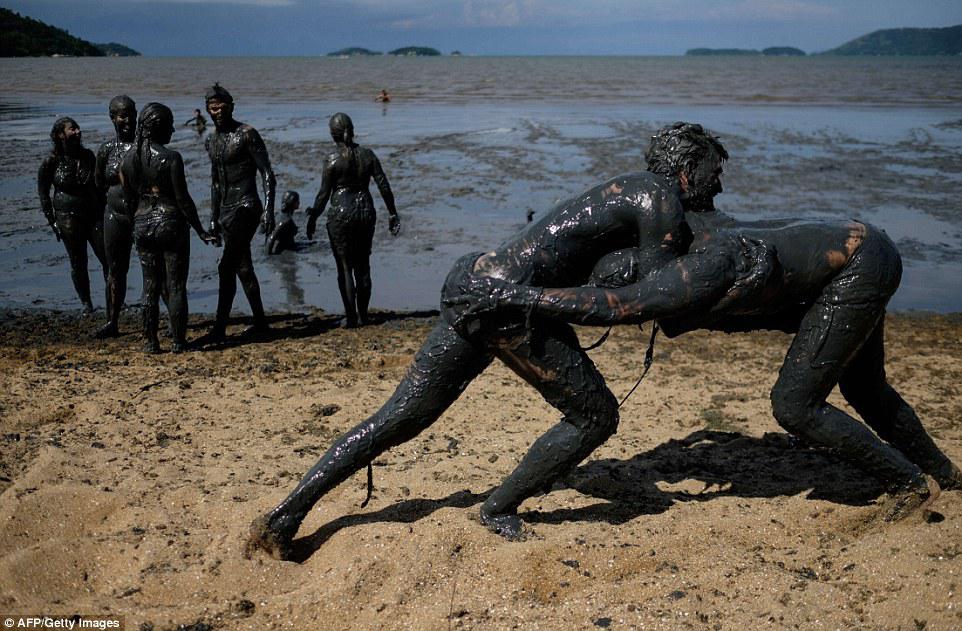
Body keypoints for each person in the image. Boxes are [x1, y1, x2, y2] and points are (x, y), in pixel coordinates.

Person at [449, 122, 962, 520]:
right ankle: (945, 474)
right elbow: (628, 296)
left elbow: (619, 306)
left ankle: (912, 485)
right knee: (868, 390)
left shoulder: (700, 264)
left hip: (859, 262)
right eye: (713, 170)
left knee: (796, 405)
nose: (721, 180)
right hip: (852, 252)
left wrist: (513, 294)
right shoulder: (679, 239)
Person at [248, 129, 705, 560]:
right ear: (687, 168)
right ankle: (498, 507)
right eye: (713, 172)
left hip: (478, 282)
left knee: (397, 418)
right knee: (596, 415)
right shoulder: (660, 198)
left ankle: (286, 515)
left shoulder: (632, 188)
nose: (718, 185)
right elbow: (652, 297)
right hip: (511, 307)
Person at [120, 103, 216, 353]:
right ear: (159, 128)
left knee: (149, 285)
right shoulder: (171, 158)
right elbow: (183, 199)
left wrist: (135, 225)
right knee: (175, 284)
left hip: (142, 223)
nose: (173, 129)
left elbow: (130, 198)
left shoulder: (128, 160)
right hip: (170, 222)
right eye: (170, 124)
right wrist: (200, 230)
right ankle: (178, 341)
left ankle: (151, 342)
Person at [306, 113, 400, 328]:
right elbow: (384, 185)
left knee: (345, 267)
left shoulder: (332, 159)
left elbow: (323, 195)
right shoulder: (368, 155)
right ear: (353, 129)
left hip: (341, 213)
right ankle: (364, 316)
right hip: (365, 211)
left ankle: (350, 318)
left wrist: (313, 217)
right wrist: (392, 213)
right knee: (364, 266)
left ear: (333, 135)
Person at [203, 83, 276, 341]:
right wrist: (212, 218)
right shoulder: (211, 140)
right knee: (243, 268)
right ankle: (261, 322)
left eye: (222, 107)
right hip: (226, 210)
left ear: (231, 107)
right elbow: (214, 182)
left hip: (247, 206)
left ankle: (219, 329)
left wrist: (269, 210)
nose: (218, 112)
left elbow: (267, 173)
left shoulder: (247, 134)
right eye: (213, 109)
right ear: (208, 111)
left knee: (226, 267)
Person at [38, 117, 108, 314]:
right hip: (67, 216)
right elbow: (43, 193)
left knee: (107, 258)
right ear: (60, 135)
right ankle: (87, 304)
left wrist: (107, 212)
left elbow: (99, 187)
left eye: (78, 128)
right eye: (72, 129)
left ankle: (114, 300)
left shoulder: (88, 156)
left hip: (93, 214)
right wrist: (52, 222)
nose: (77, 132)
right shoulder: (50, 162)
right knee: (79, 262)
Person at [94, 95, 138, 338]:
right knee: (115, 270)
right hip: (114, 215)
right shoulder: (107, 149)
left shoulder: (143, 146)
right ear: (112, 118)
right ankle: (112, 320)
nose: (128, 120)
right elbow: (99, 182)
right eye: (123, 115)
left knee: (154, 269)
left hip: (140, 215)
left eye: (132, 113)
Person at [267, 190, 299, 255]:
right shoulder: (285, 221)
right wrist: (269, 256)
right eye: (297, 201)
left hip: (287, 248)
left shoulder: (281, 216)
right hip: (284, 251)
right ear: (292, 202)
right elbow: (271, 239)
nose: (299, 202)